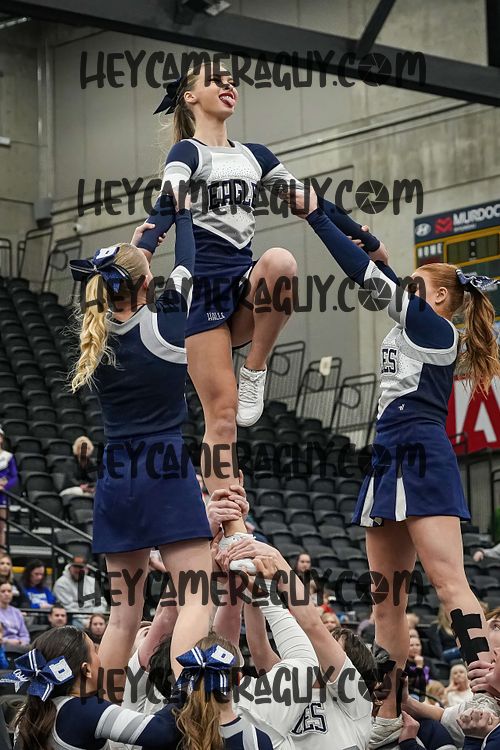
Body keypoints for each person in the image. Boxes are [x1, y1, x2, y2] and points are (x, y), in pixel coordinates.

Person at [135, 63, 383, 566]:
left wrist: (365, 237)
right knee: (222, 418)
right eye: (215, 80)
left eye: (233, 80)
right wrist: (142, 248)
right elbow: (167, 203)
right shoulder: (187, 153)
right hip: (203, 295)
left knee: (282, 262)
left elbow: (313, 204)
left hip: (245, 284)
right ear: (189, 97)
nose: (229, 86)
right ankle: (232, 530)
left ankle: (256, 367)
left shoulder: (255, 156)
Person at [301, 195, 500, 745]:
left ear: (437, 297)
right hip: (388, 452)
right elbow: (377, 269)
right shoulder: (418, 319)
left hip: (420, 449)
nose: (404, 287)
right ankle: (387, 715)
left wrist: (314, 216)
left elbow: (362, 272)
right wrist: (349, 224)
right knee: (385, 597)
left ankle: (484, 688)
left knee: (448, 580)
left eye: (415, 284)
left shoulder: (433, 327)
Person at [69, 207, 214, 695]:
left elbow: (133, 278)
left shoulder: (96, 336)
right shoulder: (167, 321)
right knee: (196, 596)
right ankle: (189, 706)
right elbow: (190, 262)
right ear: (147, 283)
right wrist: (183, 213)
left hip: (117, 475)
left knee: (122, 616)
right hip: (164, 466)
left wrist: (141, 246)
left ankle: (101, 714)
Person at [1, 627, 192, 750]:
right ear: (86, 669)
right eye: (94, 650)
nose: (99, 657)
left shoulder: (28, 710)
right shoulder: (82, 710)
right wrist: (186, 679)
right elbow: (163, 731)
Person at [52, 556, 107, 629]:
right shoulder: (61, 583)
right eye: (75, 567)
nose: (78, 570)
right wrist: (85, 621)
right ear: (70, 567)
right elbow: (69, 607)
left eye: (80, 567)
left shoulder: (92, 581)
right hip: (73, 618)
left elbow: (101, 602)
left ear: (86, 569)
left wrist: (94, 617)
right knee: (77, 626)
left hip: (93, 617)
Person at [0, 426, 18, 550]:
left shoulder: (8, 456)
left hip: (2, 496)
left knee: (1, 527)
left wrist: (4, 485)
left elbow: (14, 477)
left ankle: (0, 553)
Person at [0, 581, 30, 646]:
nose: (7, 594)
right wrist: (7, 641)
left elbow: (25, 634)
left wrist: (22, 642)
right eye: (3, 591)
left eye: (9, 591)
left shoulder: (17, 612)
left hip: (19, 646)